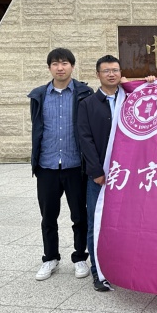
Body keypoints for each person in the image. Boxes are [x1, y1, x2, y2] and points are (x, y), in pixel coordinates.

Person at [28, 48, 93, 282]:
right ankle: (50, 258)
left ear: (72, 66)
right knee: (48, 217)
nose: (60, 67)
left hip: (76, 165)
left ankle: (80, 257)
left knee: (80, 216)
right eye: (55, 64)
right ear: (49, 68)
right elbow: (38, 129)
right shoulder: (39, 95)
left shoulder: (84, 93)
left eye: (64, 63)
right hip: (47, 165)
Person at [77, 55, 126, 292]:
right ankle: (98, 272)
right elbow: (84, 139)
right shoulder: (87, 104)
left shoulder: (130, 99)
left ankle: (121, 267)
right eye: (106, 71)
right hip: (100, 177)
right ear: (98, 75)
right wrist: (96, 171)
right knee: (96, 223)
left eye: (115, 70)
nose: (111, 74)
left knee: (123, 223)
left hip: (127, 176)